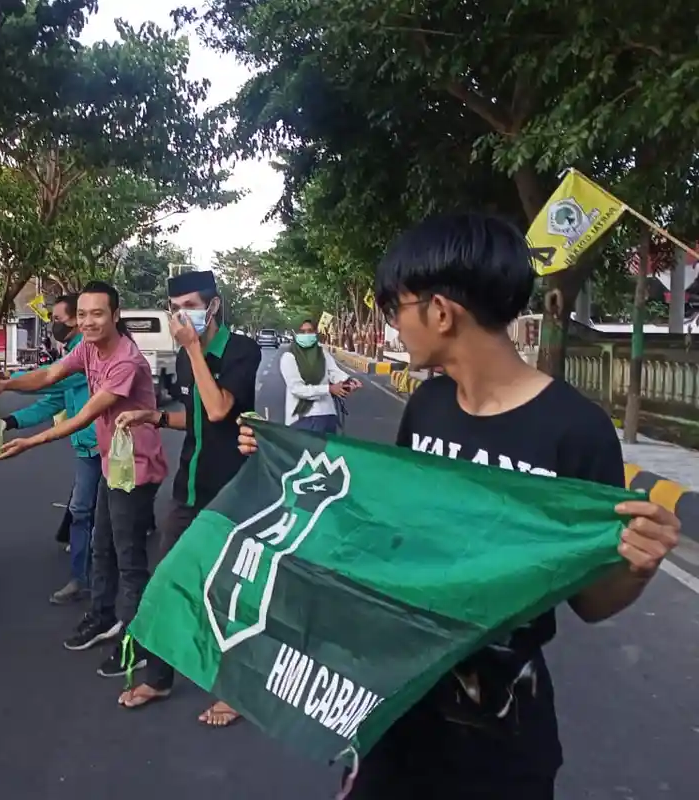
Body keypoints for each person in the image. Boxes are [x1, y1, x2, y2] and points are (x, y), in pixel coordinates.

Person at [237, 212, 681, 800]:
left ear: (441, 312)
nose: (395, 326)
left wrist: (639, 567)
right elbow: (398, 531)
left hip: (500, 733)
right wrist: (285, 460)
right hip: (397, 701)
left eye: (397, 308)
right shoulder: (430, 407)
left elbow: (592, 604)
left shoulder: (576, 431)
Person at [0, 280, 168, 678]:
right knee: (102, 547)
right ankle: (103, 616)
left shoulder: (127, 361)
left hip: (135, 468)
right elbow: (50, 375)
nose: (87, 321)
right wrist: (5, 384)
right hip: (109, 462)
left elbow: (85, 415)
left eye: (97, 313)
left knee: (128, 557)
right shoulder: (87, 347)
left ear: (115, 315)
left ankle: (137, 642)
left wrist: (30, 442)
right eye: (82, 314)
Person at [112, 269, 261, 725]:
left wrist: (194, 348)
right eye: (175, 308)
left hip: (234, 492)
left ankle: (237, 689)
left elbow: (220, 409)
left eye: (191, 306)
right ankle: (159, 677)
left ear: (213, 305)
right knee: (169, 582)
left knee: (230, 593)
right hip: (189, 489)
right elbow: (197, 419)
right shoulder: (182, 359)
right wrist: (153, 417)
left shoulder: (241, 351)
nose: (182, 316)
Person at [2, 294, 102, 605]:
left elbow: (48, 380)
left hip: (108, 447)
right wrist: (10, 421)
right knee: (84, 512)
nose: (53, 324)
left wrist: (5, 381)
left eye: (58, 319)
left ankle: (100, 586)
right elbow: (53, 401)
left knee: (97, 516)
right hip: (87, 449)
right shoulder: (73, 354)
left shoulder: (85, 355)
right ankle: (85, 579)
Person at [279, 319, 361, 432]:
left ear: (315, 332)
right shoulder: (289, 357)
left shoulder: (322, 353)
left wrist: (348, 381)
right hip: (302, 418)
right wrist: (329, 389)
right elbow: (297, 389)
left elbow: (333, 372)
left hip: (327, 414)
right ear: (296, 334)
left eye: (310, 331)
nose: (306, 335)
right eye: (303, 332)